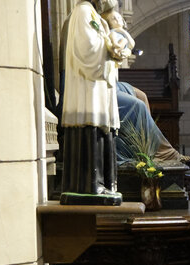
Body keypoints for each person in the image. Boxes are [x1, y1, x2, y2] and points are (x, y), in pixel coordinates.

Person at [60, 0, 127, 205]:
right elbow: (87, 49)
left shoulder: (93, 14)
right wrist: (110, 48)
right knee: (91, 129)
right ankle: (91, 185)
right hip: (87, 88)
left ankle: (103, 184)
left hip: (97, 88)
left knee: (102, 131)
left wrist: (115, 47)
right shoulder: (82, 12)